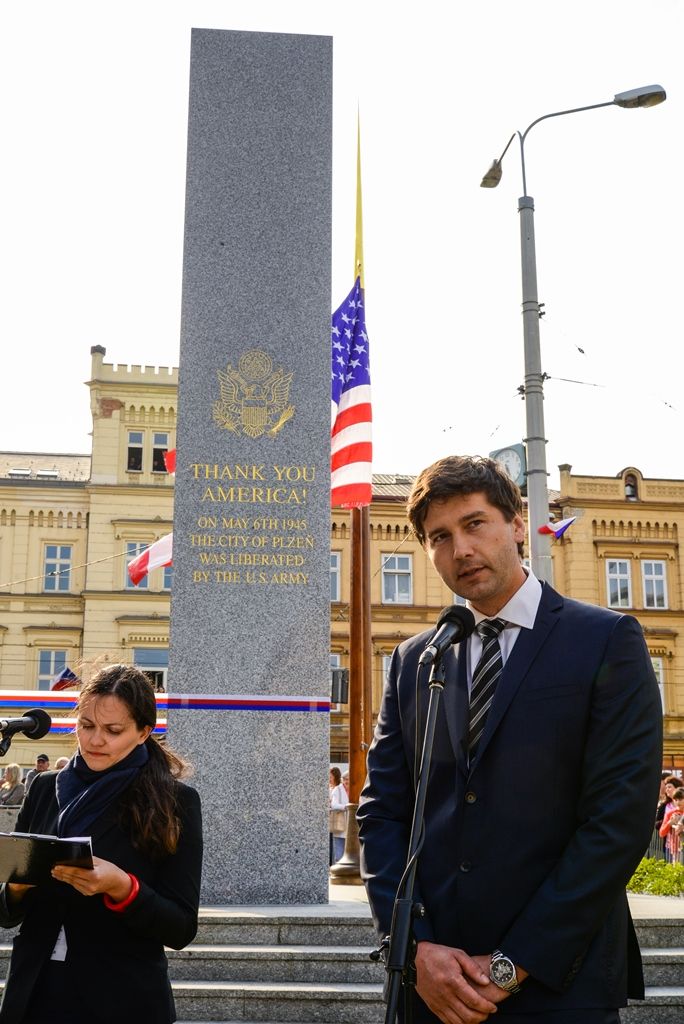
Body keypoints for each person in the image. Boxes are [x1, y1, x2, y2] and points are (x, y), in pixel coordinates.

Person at [358, 455, 663, 1024]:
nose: (461, 550)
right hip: (434, 985)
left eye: (475, 524)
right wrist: (416, 948)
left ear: (518, 523)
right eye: (440, 537)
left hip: (559, 982)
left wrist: (513, 964)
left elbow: (618, 821)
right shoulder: (415, 660)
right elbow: (382, 812)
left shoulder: (605, 641)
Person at [0, 663, 203, 1024]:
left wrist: (123, 887)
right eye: (87, 725)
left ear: (143, 732)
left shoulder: (176, 801)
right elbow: (6, 913)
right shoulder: (45, 787)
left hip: (121, 999)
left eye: (113, 730)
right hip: (34, 993)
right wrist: (17, 885)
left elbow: (181, 928)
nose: (95, 740)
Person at [659, 786, 684, 864]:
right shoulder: (670, 813)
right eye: (676, 799)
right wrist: (670, 823)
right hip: (675, 851)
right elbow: (661, 833)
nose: (678, 802)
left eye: (680, 799)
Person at [329, 767, 349, 865]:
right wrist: (346, 807)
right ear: (342, 780)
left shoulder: (354, 789)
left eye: (349, 780)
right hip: (340, 824)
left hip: (351, 825)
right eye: (345, 780)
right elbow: (334, 805)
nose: (347, 782)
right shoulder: (338, 789)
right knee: (339, 853)